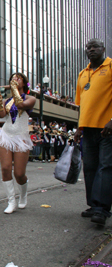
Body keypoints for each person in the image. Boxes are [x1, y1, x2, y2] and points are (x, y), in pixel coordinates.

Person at [74, 38, 112, 225]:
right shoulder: (82, 74)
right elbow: (80, 105)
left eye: (95, 47)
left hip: (107, 129)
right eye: (88, 47)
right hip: (87, 129)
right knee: (90, 168)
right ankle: (93, 205)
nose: (91, 50)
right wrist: (79, 128)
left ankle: (101, 209)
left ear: (103, 49)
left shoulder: (111, 66)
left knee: (105, 167)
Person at [0, 73, 36, 214]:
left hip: (21, 137)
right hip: (6, 135)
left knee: (19, 173)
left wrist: (14, 89)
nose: (15, 79)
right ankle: (11, 201)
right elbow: (1, 115)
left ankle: (23, 195)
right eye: (12, 78)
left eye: (18, 78)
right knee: (5, 168)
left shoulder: (31, 98)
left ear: (24, 82)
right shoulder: (6, 101)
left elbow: (21, 104)